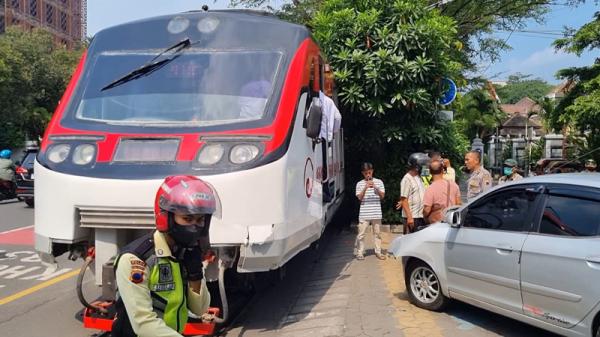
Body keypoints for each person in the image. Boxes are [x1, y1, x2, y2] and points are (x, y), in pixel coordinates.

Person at [112, 175, 213, 337]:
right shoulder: (137, 259)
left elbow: (199, 310)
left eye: (200, 220)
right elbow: (144, 324)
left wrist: (195, 275)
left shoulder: (184, 253)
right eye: (187, 218)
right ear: (167, 217)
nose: (194, 226)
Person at [355, 162, 386, 261]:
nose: (368, 175)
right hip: (364, 213)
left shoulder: (379, 182)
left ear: (372, 171)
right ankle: (360, 252)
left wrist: (375, 187)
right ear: (362, 173)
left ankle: (378, 251)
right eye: (365, 173)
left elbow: (382, 196)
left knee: (377, 234)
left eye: (369, 172)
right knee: (361, 234)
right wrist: (365, 187)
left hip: (376, 213)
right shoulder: (359, 184)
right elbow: (359, 197)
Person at [395, 153, 427, 234]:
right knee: (409, 242)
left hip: (420, 216)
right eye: (423, 166)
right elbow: (404, 199)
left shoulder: (419, 177)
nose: (425, 168)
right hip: (412, 217)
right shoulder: (407, 179)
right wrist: (409, 217)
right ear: (417, 167)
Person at [423, 160, 461, 224]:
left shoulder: (430, 188)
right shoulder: (454, 185)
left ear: (430, 172)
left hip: (436, 224)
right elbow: (459, 204)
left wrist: (424, 217)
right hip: (451, 222)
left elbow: (427, 210)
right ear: (442, 170)